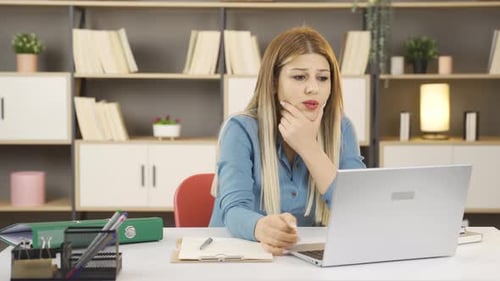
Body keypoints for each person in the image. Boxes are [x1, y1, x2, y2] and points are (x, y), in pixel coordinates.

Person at [209, 26, 366, 255]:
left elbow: (359, 210)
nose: (313, 88)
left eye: (323, 78)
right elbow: (233, 211)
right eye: (299, 76)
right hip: (238, 255)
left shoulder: (342, 129)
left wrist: (309, 147)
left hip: (303, 259)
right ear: (273, 82)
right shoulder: (240, 130)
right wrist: (262, 227)